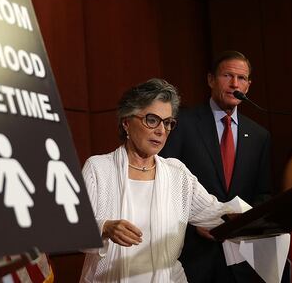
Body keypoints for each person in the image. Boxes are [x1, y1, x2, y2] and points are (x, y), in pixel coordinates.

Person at [80, 79, 245, 283]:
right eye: (152, 120)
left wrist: (262, 219)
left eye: (167, 123)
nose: (161, 130)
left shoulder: (177, 173)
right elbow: (73, 229)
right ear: (126, 122)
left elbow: (217, 214)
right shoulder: (98, 168)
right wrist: (105, 227)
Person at [160, 51, 272, 283]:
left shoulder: (260, 136)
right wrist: (194, 224)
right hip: (193, 253)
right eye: (227, 76)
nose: (234, 84)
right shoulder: (182, 123)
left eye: (241, 78)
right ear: (211, 79)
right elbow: (164, 183)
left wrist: (245, 224)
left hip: (242, 258)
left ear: (248, 86)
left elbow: (263, 194)